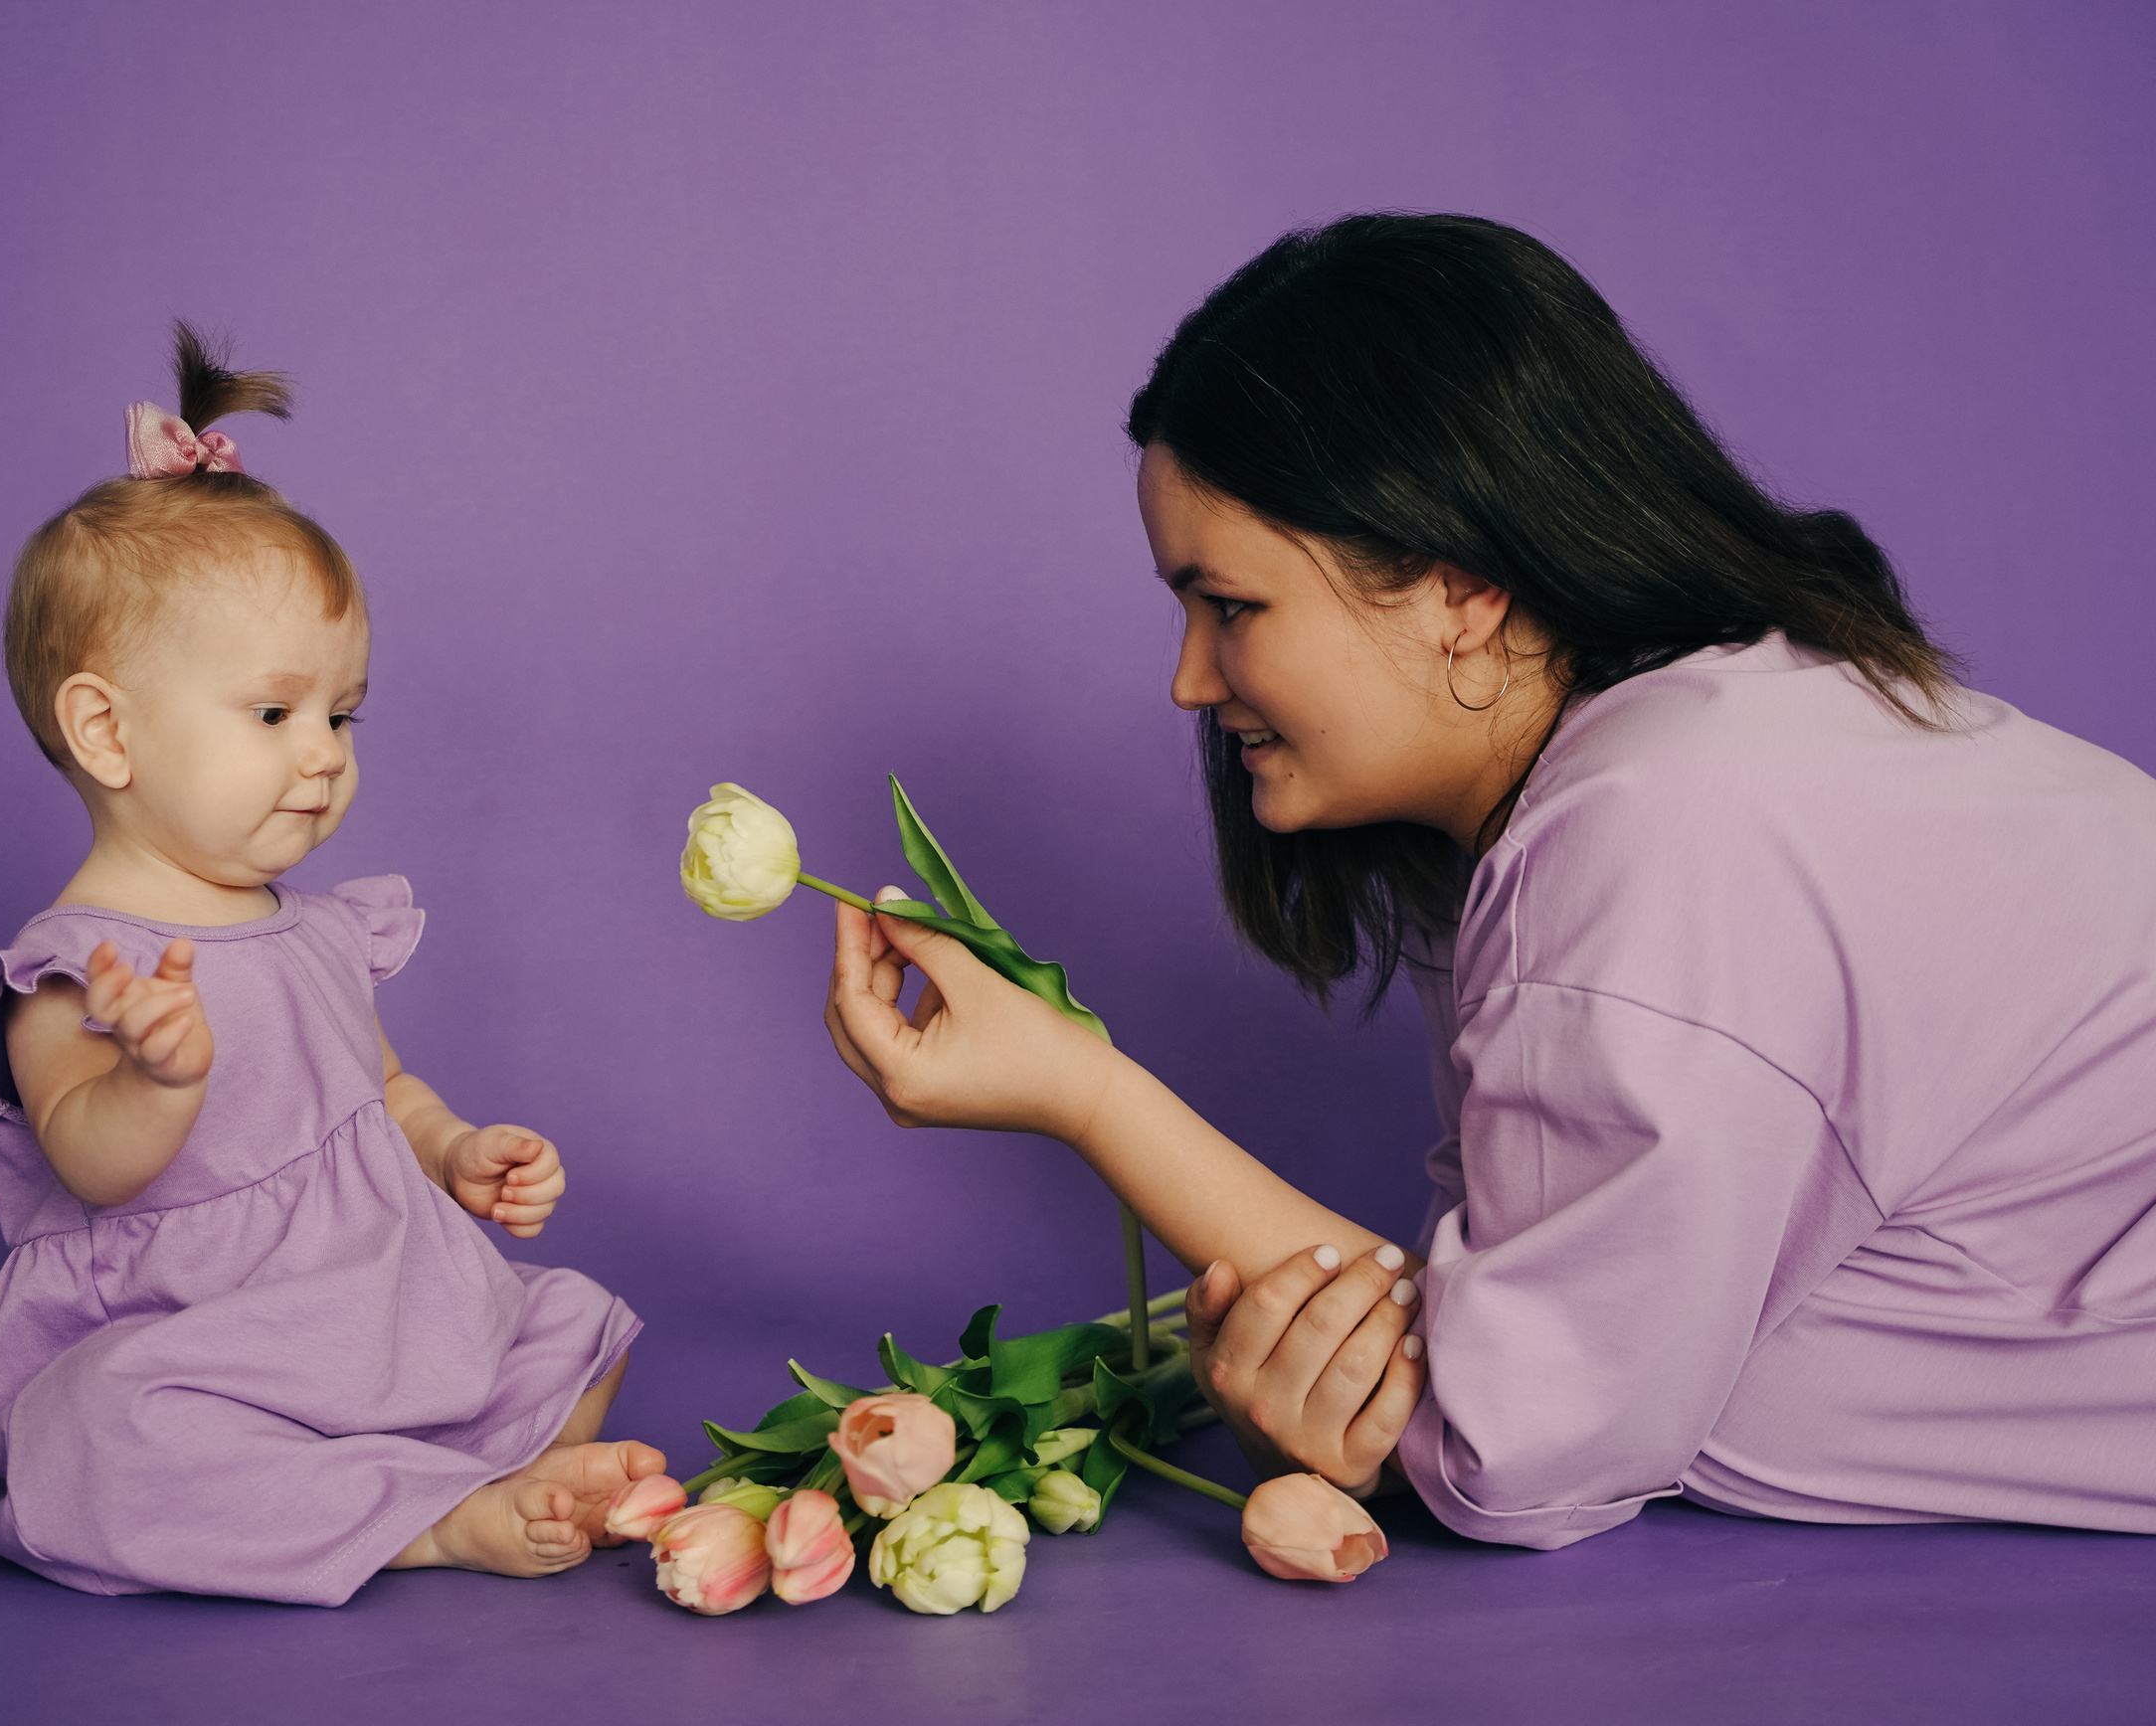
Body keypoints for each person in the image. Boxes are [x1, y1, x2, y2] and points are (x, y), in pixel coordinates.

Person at [823, 215, 2156, 1554]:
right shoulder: (1698, 756)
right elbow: (1543, 1319)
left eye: (1230, 606)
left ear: (1459, 591)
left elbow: (1509, 1428)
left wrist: (1082, 1089)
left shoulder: (1669, 825)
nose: (1188, 679)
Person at [0, 325, 661, 1604]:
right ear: (106, 729)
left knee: (566, 1317)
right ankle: (432, 1519)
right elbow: (88, 1159)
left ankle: (435, 1470)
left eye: (343, 713)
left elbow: (383, 1088)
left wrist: (450, 1149)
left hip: (365, 1301)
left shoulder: (320, 926)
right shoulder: (70, 967)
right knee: (98, 1435)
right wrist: (154, 1080)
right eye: (275, 713)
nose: (323, 752)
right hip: (199, 1345)